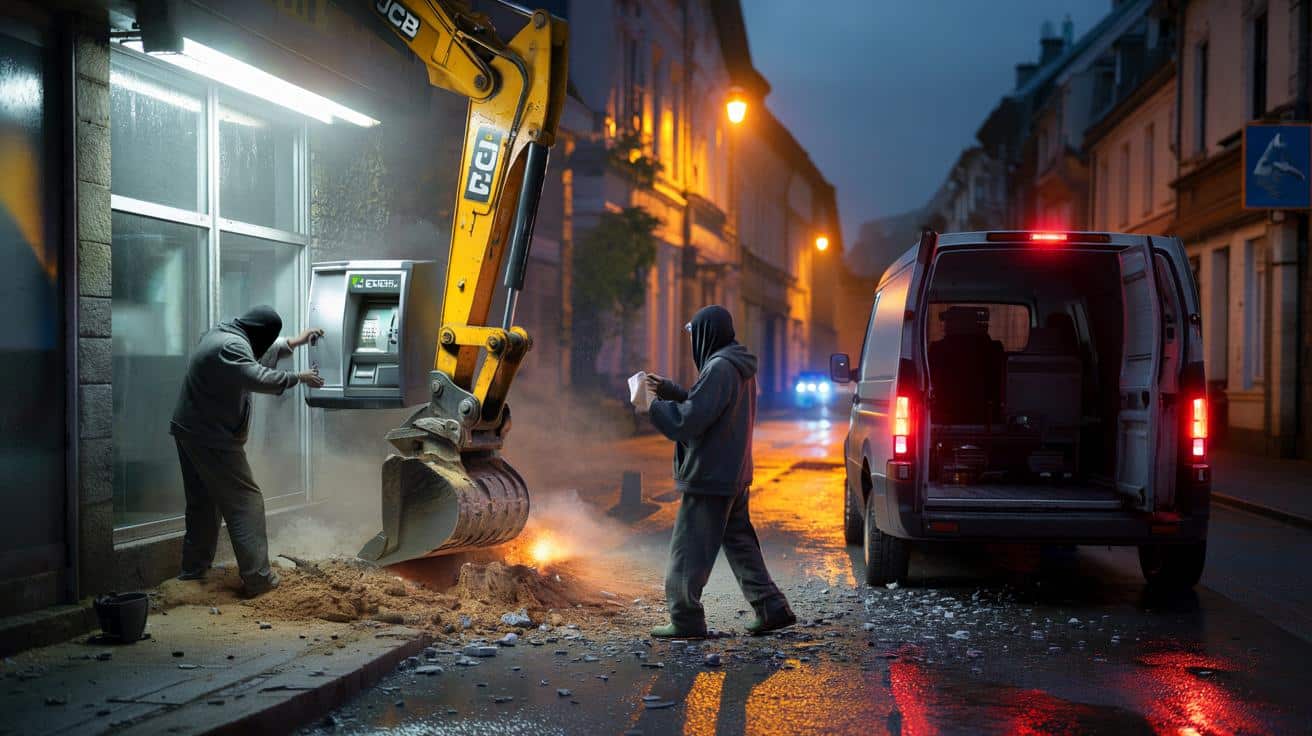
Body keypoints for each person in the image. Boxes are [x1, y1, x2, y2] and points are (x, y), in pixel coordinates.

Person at [643, 305, 796, 638]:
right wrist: (671, 390)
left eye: (693, 335)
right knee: (740, 544)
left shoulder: (718, 368)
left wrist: (650, 406)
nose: (692, 341)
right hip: (733, 472)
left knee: (688, 550)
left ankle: (685, 620)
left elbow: (688, 422)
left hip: (710, 475)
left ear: (705, 335)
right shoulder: (737, 363)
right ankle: (772, 608)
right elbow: (709, 405)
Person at [169, 305, 325, 597]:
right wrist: (299, 377)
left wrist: (294, 342)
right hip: (210, 436)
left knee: (204, 504)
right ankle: (259, 579)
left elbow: (252, 354)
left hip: (192, 430)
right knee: (246, 502)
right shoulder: (230, 346)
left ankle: (192, 575)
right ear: (259, 335)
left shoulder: (223, 334)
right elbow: (259, 376)